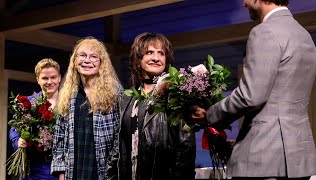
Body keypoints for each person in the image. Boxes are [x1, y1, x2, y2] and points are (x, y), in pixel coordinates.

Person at [189, 0, 316, 179]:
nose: (244, 4)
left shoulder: (264, 31)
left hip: (263, 157)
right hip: (299, 158)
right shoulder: (304, 35)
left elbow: (251, 95)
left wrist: (209, 115)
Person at [106, 32, 196, 180]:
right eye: (149, 52)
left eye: (161, 53)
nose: (156, 58)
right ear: (138, 59)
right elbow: (117, 149)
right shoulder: (127, 99)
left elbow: (185, 148)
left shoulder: (175, 94)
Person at [51, 37, 122, 180]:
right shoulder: (68, 93)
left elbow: (119, 137)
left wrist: (112, 170)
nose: (87, 60)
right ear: (75, 61)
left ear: (101, 63)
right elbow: (59, 135)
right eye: (82, 55)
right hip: (74, 171)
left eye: (94, 57)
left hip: (102, 171)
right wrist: (61, 172)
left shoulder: (114, 93)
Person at [9, 58, 61, 180]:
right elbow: (14, 130)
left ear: (59, 78)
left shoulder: (69, 104)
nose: (49, 82)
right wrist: (19, 141)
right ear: (37, 79)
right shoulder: (29, 102)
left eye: (53, 77)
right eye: (45, 78)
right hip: (33, 169)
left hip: (60, 169)